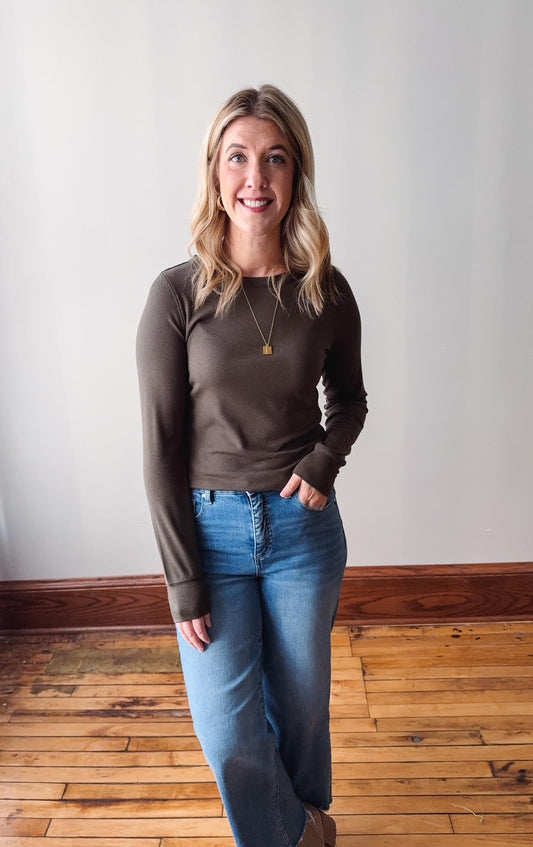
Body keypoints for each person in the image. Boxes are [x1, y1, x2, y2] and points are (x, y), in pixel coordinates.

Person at [136, 84, 367, 847]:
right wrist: (182, 576)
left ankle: (300, 819)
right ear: (214, 172)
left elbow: (352, 402)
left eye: (274, 159)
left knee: (298, 708)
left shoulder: (324, 290)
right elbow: (162, 444)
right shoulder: (176, 295)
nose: (254, 179)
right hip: (210, 537)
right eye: (237, 158)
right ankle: (297, 832)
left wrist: (325, 460)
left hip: (304, 532)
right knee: (228, 729)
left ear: (295, 175)